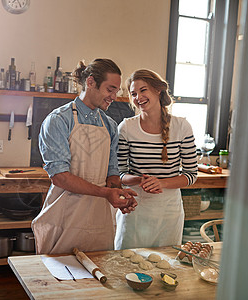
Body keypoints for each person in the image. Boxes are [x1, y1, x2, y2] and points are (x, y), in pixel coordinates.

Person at [32, 58, 138, 255]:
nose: (114, 96)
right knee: (61, 278)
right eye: (110, 89)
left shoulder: (110, 125)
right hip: (66, 214)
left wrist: (119, 194)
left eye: (117, 91)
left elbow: (112, 175)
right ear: (90, 82)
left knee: (99, 277)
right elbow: (60, 176)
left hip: (100, 217)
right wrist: (106, 193)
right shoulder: (58, 121)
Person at [114, 69, 198, 249]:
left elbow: (191, 174)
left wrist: (162, 183)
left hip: (168, 211)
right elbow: (119, 173)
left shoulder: (182, 126)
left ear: (158, 90)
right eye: (133, 93)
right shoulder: (127, 128)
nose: (138, 97)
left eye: (143, 90)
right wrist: (138, 179)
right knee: (127, 265)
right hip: (135, 208)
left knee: (165, 268)